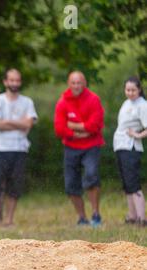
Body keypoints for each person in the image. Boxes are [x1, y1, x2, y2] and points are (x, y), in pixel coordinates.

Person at [0, 69, 38, 227]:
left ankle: (8, 220)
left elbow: (28, 124)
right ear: (5, 82)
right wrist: (19, 123)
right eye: (12, 80)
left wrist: (7, 122)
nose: (15, 83)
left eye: (17, 80)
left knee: (14, 186)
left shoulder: (27, 102)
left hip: (19, 148)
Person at [54, 71, 105, 226]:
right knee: (71, 184)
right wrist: (82, 131)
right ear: (69, 84)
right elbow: (59, 129)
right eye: (73, 83)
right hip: (70, 147)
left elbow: (96, 125)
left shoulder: (94, 99)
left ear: (85, 84)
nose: (76, 86)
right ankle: (82, 218)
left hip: (92, 145)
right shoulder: (62, 102)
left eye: (79, 83)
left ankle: (96, 215)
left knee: (91, 175)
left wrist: (74, 126)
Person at [113, 76, 147, 227]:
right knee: (127, 184)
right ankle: (132, 216)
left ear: (139, 89)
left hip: (131, 147)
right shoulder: (126, 103)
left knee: (133, 183)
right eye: (127, 90)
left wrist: (138, 135)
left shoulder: (143, 105)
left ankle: (142, 218)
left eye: (133, 90)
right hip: (120, 146)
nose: (130, 92)